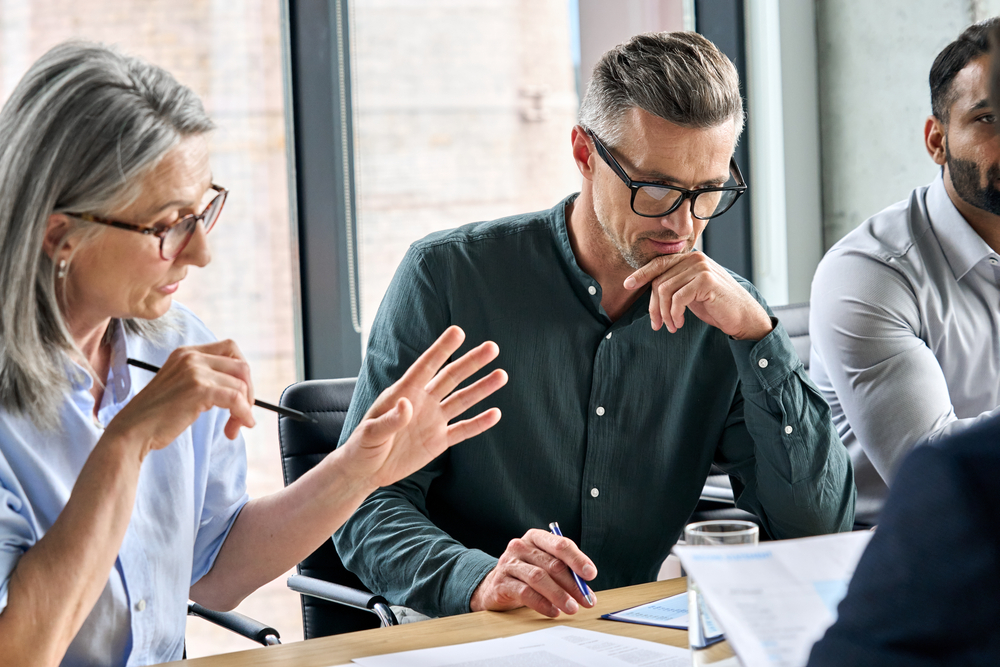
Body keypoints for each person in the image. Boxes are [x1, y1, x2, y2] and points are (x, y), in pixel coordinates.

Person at [0, 42, 508, 666]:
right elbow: (20, 651)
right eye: (167, 226)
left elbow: (214, 570)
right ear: (60, 235)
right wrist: (126, 444)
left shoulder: (174, 343)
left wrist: (360, 470)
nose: (199, 254)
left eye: (203, 210)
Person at [333, 31, 855, 621]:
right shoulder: (448, 278)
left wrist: (762, 341)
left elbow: (817, 532)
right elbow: (364, 507)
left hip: (633, 641)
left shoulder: (726, 318)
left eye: (709, 191)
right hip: (466, 634)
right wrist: (480, 580)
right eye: (655, 189)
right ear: (584, 153)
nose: (684, 223)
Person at [809, 17, 1000, 526]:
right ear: (937, 140)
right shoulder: (868, 273)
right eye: (988, 119)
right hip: (893, 560)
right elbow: (935, 468)